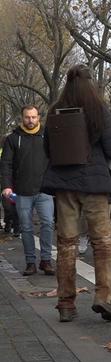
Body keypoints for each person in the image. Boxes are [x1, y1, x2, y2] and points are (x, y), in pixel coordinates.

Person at [41, 64, 111, 322]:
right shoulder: (99, 109)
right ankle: (103, 297)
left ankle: (66, 303)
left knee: (66, 243)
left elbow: (48, 147)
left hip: (65, 186)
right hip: (94, 185)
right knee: (102, 242)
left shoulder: (55, 110)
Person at [1, 105, 55, 276]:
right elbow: (6, 165)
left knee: (48, 223)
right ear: (21, 118)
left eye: (33, 117)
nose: (30, 120)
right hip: (22, 192)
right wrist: (7, 186)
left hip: (45, 190)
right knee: (26, 227)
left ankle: (45, 260)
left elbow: (55, 160)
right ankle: (30, 262)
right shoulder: (12, 139)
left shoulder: (48, 136)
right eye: (27, 117)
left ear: (39, 117)